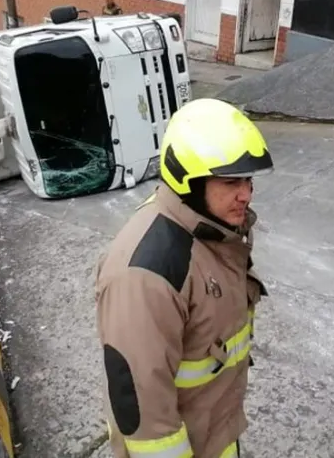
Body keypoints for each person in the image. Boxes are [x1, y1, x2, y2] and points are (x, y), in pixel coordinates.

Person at [95, 98, 272, 458]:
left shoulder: (215, 230)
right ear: (186, 181)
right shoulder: (148, 275)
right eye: (231, 181)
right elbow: (146, 420)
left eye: (249, 179)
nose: (247, 194)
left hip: (215, 429)